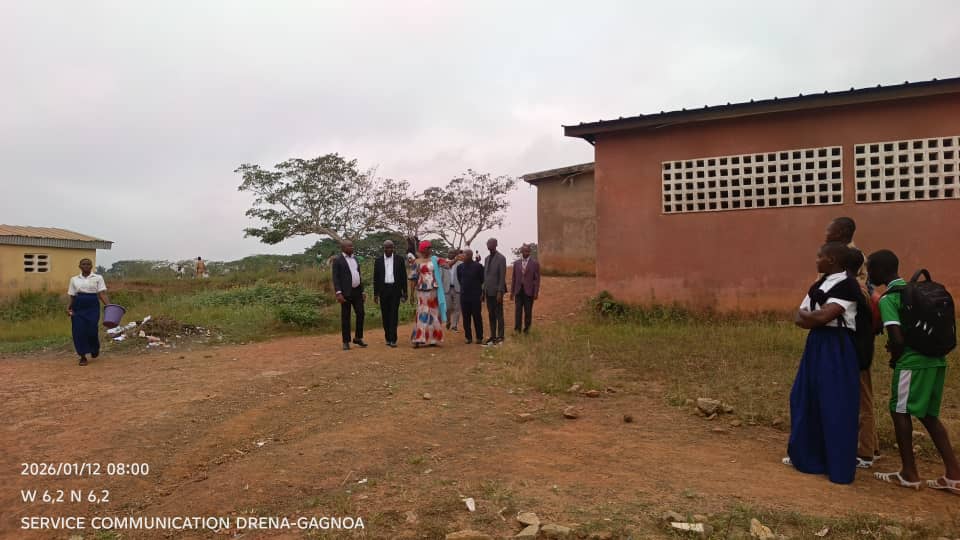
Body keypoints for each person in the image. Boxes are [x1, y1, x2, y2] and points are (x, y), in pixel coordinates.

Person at [868, 250, 960, 494]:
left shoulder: (890, 298)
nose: (868, 273)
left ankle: (909, 473)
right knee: (929, 415)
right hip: (937, 360)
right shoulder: (917, 291)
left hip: (912, 362)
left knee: (899, 411)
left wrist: (895, 358)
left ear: (879, 270)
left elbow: (897, 338)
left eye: (870, 268)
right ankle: (954, 474)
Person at [784, 241, 861, 485]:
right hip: (816, 343)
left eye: (820, 256)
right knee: (806, 396)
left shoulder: (848, 285)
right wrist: (813, 317)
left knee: (836, 402)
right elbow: (800, 317)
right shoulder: (819, 284)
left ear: (832, 260)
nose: (816, 260)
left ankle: (837, 465)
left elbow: (824, 315)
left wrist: (812, 317)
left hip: (836, 347)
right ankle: (809, 457)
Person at [824, 217, 881, 469]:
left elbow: (852, 297)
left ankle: (865, 450)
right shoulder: (841, 258)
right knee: (856, 389)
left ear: (842, 232)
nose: (826, 232)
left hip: (854, 335)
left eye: (830, 228)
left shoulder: (852, 261)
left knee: (861, 391)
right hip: (848, 334)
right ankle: (871, 445)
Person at [67, 258, 110, 366]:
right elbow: (72, 296)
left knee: (92, 330)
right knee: (78, 331)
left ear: (91, 266)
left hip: (92, 306)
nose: (86, 266)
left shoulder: (98, 278)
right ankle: (82, 356)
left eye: (88, 264)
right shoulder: (74, 279)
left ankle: (94, 348)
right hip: (78, 306)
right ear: (79, 266)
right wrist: (69, 307)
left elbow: (102, 294)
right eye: (83, 264)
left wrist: (109, 306)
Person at [409, 240, 448, 347]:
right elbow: (413, 279)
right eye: (428, 248)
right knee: (422, 314)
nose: (430, 249)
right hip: (421, 292)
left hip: (433, 291)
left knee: (434, 314)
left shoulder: (435, 259)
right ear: (423, 249)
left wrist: (455, 260)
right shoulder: (416, 262)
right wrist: (411, 294)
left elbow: (447, 264)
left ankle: (433, 339)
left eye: (430, 248)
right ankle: (418, 339)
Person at [332, 240, 367, 350]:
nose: (352, 247)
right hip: (345, 292)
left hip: (357, 291)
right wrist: (338, 293)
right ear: (343, 248)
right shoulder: (338, 260)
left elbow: (358, 275)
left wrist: (362, 291)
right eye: (349, 246)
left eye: (352, 245)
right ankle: (346, 341)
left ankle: (358, 338)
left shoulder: (355, 259)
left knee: (361, 313)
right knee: (346, 317)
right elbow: (335, 278)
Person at [373, 240, 407, 348]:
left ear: (393, 248)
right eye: (387, 248)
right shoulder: (378, 261)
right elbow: (376, 278)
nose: (389, 250)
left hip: (395, 290)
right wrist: (376, 294)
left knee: (394, 314)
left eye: (391, 248)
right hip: (383, 290)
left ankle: (393, 339)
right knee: (385, 315)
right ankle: (387, 337)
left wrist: (405, 292)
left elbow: (403, 277)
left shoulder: (399, 260)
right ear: (383, 248)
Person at [510, 244, 541, 334]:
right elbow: (514, 278)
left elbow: (537, 279)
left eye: (527, 251)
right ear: (521, 252)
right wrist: (512, 293)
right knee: (518, 311)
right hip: (518, 291)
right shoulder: (516, 263)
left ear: (530, 252)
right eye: (524, 251)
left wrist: (536, 292)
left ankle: (527, 329)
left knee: (528, 311)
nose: (525, 253)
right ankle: (517, 330)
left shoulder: (535, 264)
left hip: (529, 291)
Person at [457, 248, 484, 345]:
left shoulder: (478, 266)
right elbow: (460, 279)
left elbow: (482, 280)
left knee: (477, 316)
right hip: (464, 296)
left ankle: (479, 337)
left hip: (475, 296)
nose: (462, 256)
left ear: (469, 255)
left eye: (464, 255)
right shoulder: (459, 267)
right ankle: (468, 337)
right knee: (466, 317)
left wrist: (480, 292)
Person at [482, 238, 507, 345]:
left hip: (497, 292)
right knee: (491, 315)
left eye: (490, 243)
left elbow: (502, 276)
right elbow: (485, 276)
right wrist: (483, 291)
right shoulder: (486, 258)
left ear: (496, 244)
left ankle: (500, 336)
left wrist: (500, 292)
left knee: (499, 315)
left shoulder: (501, 258)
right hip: (488, 291)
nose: (488, 244)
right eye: (487, 243)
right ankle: (493, 336)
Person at [448, 250, 463, 332]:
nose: (450, 254)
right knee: (448, 307)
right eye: (449, 252)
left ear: (455, 254)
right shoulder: (444, 263)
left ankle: (454, 326)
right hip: (447, 288)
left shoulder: (460, 264)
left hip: (457, 288)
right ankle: (448, 321)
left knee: (457, 308)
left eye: (452, 253)